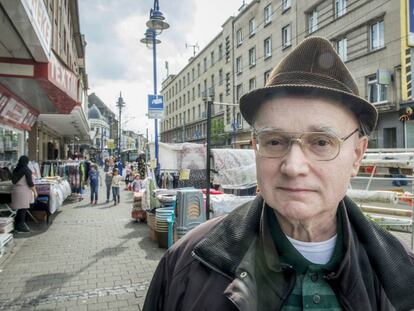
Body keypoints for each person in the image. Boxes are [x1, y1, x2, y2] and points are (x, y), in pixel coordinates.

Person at [143, 37, 414, 310]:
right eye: (274, 141)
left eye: (321, 142)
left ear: (357, 155)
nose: (293, 167)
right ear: (256, 148)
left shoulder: (403, 275)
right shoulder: (187, 264)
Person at [11, 155, 37, 232]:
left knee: (19, 209)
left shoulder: (15, 170)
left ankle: (17, 225)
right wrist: (35, 192)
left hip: (15, 191)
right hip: (23, 191)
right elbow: (30, 183)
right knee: (23, 209)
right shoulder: (26, 170)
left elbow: (13, 181)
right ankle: (21, 226)